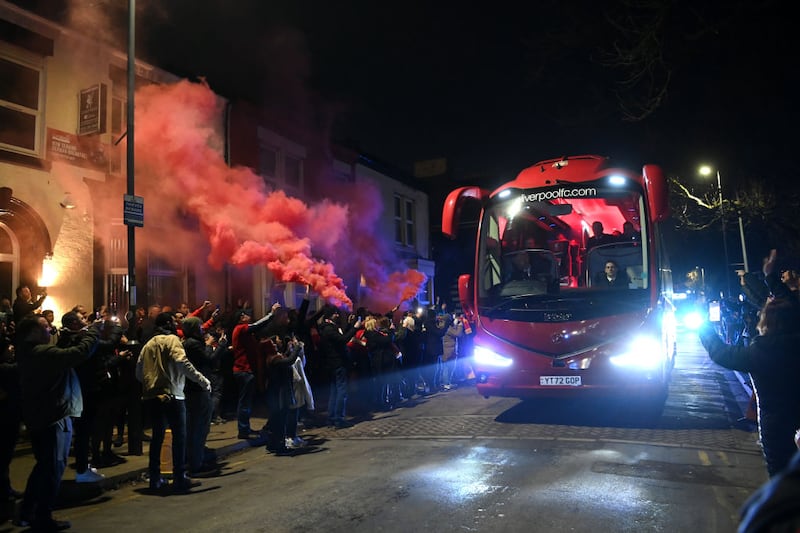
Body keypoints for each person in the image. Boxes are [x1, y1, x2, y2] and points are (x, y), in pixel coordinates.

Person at [14, 314, 100, 531]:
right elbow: (78, 354)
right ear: (33, 332)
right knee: (53, 467)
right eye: (45, 326)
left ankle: (27, 512)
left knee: (43, 466)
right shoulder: (41, 353)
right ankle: (43, 516)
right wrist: (92, 332)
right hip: (52, 417)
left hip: (43, 416)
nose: (50, 329)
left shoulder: (31, 353)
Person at [699, 297, 800, 477]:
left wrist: (704, 328)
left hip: (777, 427)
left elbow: (721, 353)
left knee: (781, 476)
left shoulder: (761, 351)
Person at [135, 312, 211, 493]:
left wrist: (150, 384)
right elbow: (182, 362)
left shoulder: (148, 345)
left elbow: (139, 371)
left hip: (152, 396)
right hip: (173, 395)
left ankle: (155, 478)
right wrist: (202, 380)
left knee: (157, 438)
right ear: (169, 324)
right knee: (179, 437)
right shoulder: (172, 340)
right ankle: (179, 477)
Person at [181, 316, 227, 475]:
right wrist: (220, 345)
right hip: (197, 388)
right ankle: (196, 464)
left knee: (195, 427)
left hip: (193, 388)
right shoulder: (193, 344)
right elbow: (209, 360)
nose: (203, 330)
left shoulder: (190, 343)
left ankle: (194, 460)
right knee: (199, 427)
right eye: (200, 327)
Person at [231, 304, 280, 439]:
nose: (249, 316)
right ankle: (243, 430)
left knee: (245, 401)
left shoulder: (240, 330)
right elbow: (257, 325)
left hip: (244, 370)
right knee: (245, 402)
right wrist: (271, 314)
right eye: (247, 314)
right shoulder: (241, 328)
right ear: (241, 317)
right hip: (244, 370)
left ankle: (245, 428)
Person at [317, 305, 361, 428]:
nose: (337, 315)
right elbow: (342, 340)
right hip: (337, 362)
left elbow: (340, 337)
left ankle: (332, 418)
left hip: (332, 363)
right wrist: (355, 328)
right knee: (341, 391)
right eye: (335, 313)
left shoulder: (327, 328)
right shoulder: (329, 329)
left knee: (334, 391)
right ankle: (339, 419)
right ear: (330, 315)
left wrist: (349, 325)